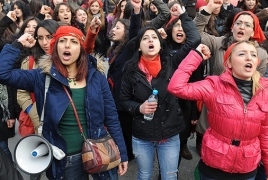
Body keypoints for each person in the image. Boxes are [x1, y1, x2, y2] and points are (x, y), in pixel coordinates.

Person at [0, 26, 128, 180]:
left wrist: (122, 152)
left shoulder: (96, 77)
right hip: (66, 159)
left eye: (73, 41)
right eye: (62, 40)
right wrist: (18, 44)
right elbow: (3, 73)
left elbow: (112, 117)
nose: (67, 45)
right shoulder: (41, 78)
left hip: (101, 151)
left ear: (80, 48)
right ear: (56, 47)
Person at [119, 5, 200, 178]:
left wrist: (183, 15)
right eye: (145, 38)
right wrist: (138, 108)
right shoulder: (130, 69)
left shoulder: (172, 61)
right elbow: (124, 100)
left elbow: (194, 39)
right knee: (144, 175)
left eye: (154, 38)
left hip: (169, 134)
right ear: (139, 46)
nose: (150, 41)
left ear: (160, 44)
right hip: (142, 135)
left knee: (169, 176)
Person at [168, 40, 268, 180]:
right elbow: (176, 87)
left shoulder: (265, 90)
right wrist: (196, 56)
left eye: (253, 54)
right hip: (214, 165)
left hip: (247, 168)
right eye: (241, 54)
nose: (248, 57)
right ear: (229, 63)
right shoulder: (214, 85)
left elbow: (265, 134)